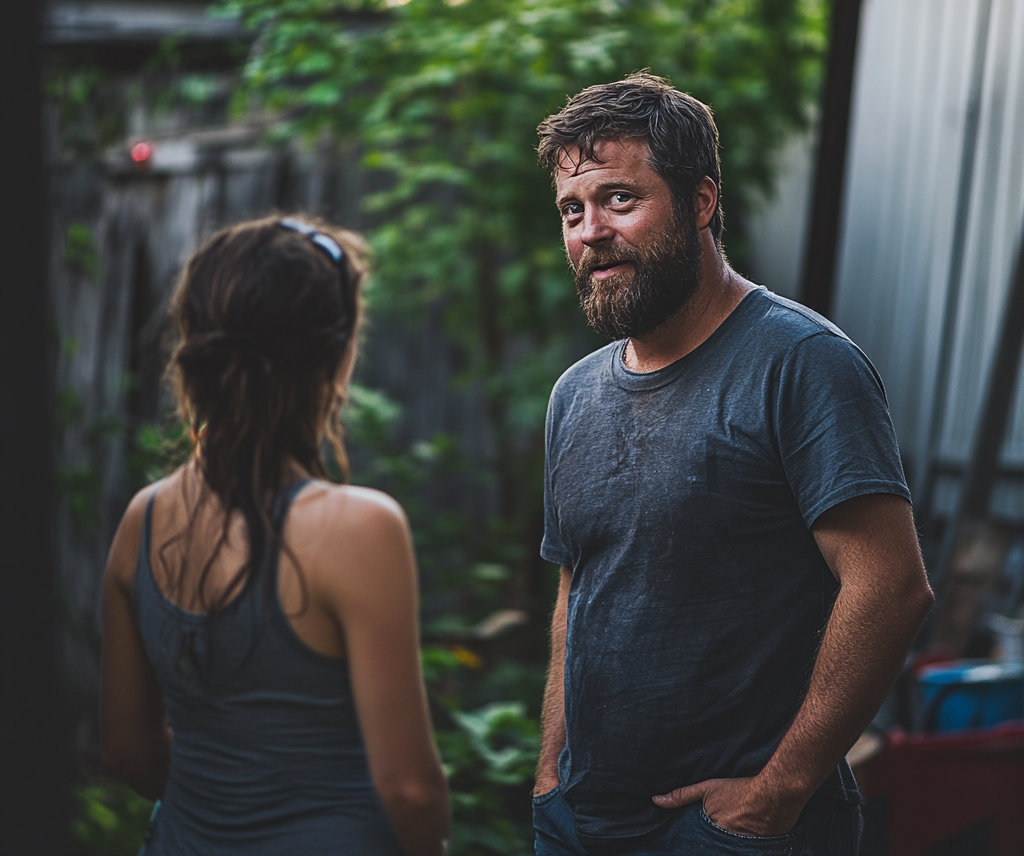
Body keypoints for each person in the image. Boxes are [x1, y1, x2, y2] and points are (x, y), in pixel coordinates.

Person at [530, 74, 934, 855]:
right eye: (572, 211)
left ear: (703, 201)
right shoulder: (575, 394)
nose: (589, 232)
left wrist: (777, 791)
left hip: (733, 834)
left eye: (619, 198)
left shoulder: (802, 362)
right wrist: (552, 772)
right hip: (584, 823)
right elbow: (578, 584)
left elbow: (891, 585)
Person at [101, 216, 451, 856]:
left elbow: (129, 753)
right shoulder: (361, 529)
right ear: (336, 357)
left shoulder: (141, 520)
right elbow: (410, 790)